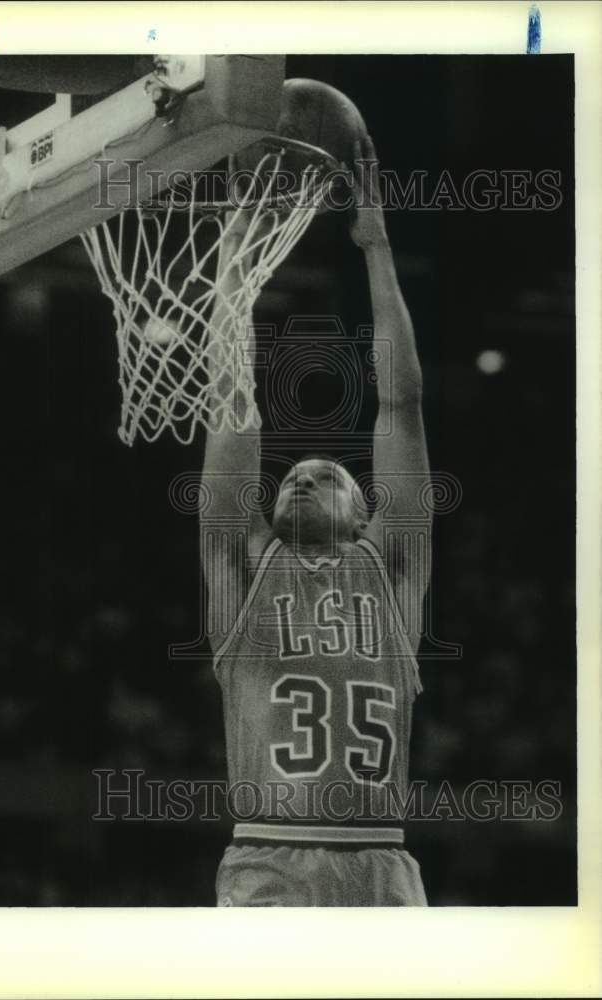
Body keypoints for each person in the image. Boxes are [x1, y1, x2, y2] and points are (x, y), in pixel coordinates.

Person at [201, 135, 431, 906]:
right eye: (292, 477)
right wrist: (236, 254)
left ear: (366, 511)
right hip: (269, 858)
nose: (302, 479)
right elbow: (231, 396)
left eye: (326, 475)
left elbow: (400, 402)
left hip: (379, 863)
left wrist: (374, 244)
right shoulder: (242, 563)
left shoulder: (392, 565)